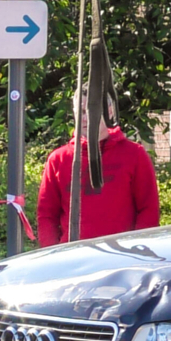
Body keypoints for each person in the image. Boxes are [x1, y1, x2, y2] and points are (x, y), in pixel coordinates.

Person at [37, 90, 160, 246]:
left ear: (109, 111)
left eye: (91, 110)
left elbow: (148, 209)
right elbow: (47, 215)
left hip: (123, 255)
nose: (85, 117)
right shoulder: (58, 159)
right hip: (72, 256)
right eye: (80, 111)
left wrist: (137, 248)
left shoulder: (134, 155)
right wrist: (53, 254)